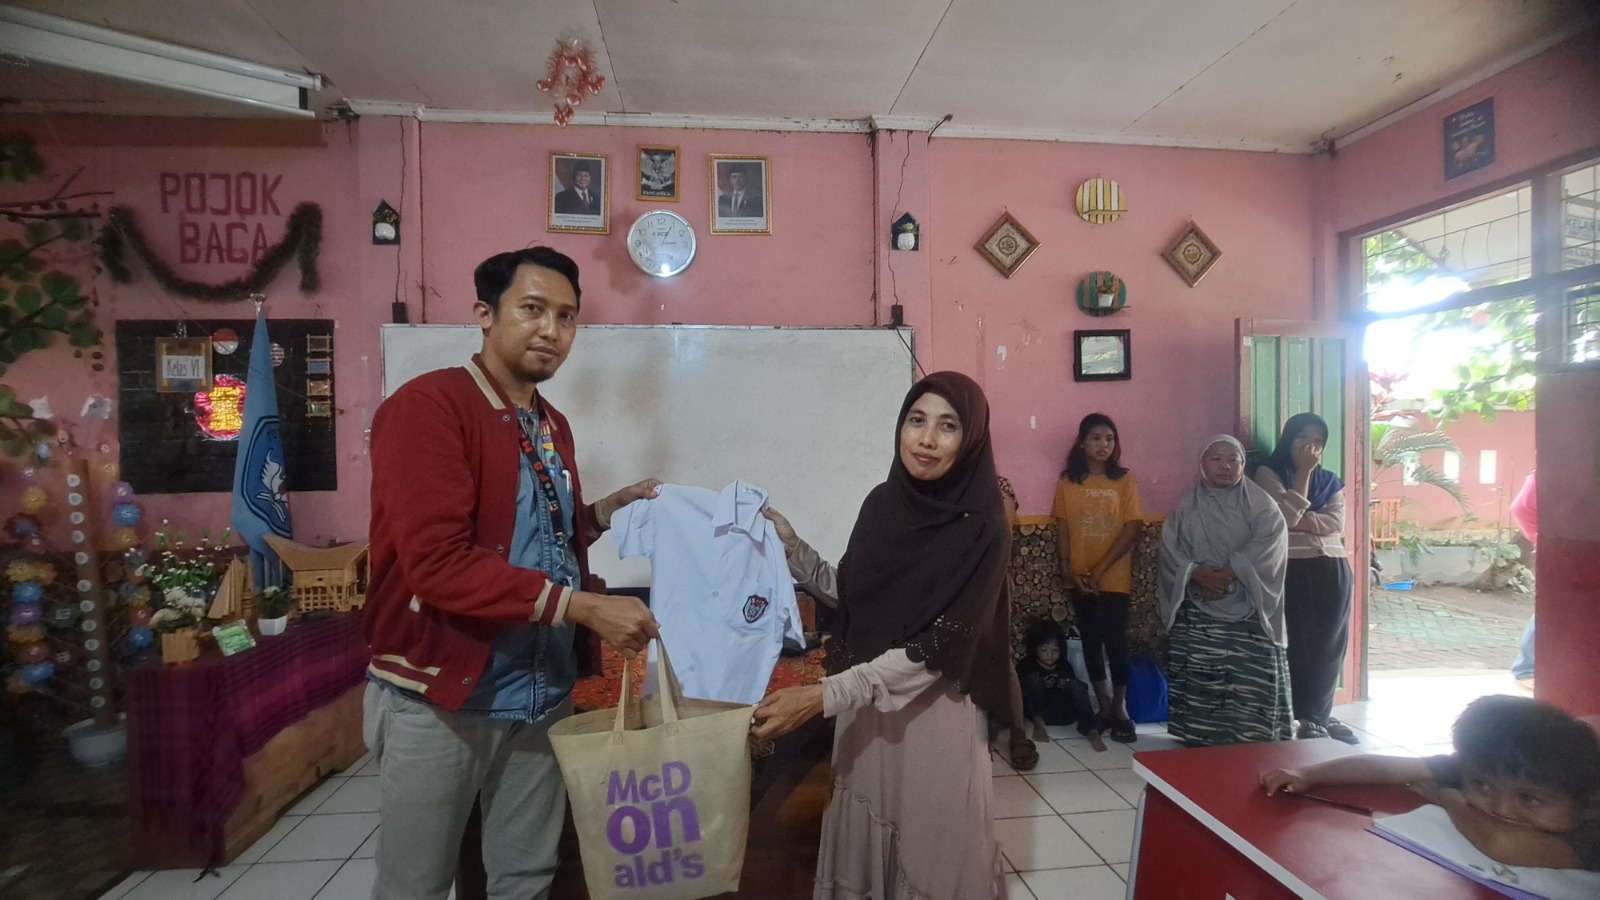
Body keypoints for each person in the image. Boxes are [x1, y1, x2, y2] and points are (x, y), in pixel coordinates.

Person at [364, 246, 661, 900]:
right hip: (443, 692)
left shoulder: (550, 424)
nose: (551, 330)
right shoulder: (430, 407)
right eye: (531, 309)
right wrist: (585, 608)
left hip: (539, 690)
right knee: (415, 883)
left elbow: (529, 536)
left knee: (525, 876)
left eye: (567, 316)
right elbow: (438, 564)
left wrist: (602, 513)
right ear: (485, 314)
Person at [754, 371, 1013, 899]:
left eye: (948, 426)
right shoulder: (882, 504)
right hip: (867, 710)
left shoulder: (984, 525)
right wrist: (794, 549)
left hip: (934, 714)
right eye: (917, 420)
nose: (927, 439)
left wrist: (825, 695)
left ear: (971, 439)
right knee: (867, 839)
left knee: (930, 858)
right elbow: (852, 594)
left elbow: (942, 644)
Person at [1260, 695, 1600, 870]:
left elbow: (1503, 846)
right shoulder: (1491, 770)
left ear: (1590, 805)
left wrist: (1448, 798)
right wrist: (1309, 775)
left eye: (1531, 799)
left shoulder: (1590, 834)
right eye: (1482, 787)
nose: (1500, 807)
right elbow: (1389, 769)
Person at [1159, 435, 1293, 747]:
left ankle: (1252, 736)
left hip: (1249, 607)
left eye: (1234, 460)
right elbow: (1170, 549)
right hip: (1199, 605)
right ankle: (1199, 736)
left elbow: (1270, 544)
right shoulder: (1186, 505)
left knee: (1249, 678)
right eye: (1216, 459)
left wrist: (1230, 573)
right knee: (1202, 673)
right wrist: (1196, 574)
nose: (1226, 466)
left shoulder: (1262, 505)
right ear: (1202, 464)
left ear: (1244, 464)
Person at [1254, 412, 1357, 743]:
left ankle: (1319, 717)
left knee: (1330, 645)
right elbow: (1283, 519)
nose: (1309, 447)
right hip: (1292, 567)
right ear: (1288, 439)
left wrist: (1302, 517)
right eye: (1302, 438)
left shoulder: (1330, 480)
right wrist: (1302, 475)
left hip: (1333, 566)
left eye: (1317, 441)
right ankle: (1297, 715)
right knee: (1296, 643)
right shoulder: (1268, 473)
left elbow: (1336, 523)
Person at [1052, 413, 1143, 743]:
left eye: (1109, 438)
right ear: (1081, 443)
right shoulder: (1068, 482)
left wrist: (1102, 568)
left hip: (1113, 577)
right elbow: (1062, 526)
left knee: (1115, 641)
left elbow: (1132, 528)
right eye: (1096, 438)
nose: (1104, 445)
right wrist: (1067, 568)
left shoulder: (1124, 480)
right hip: (1080, 578)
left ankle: (1121, 708)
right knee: (1091, 640)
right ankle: (1103, 706)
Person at [997, 474, 1039, 771]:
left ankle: (1017, 733)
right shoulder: (946, 483)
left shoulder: (999, 485)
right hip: (951, 581)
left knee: (1001, 655)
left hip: (992, 579)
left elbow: (1003, 535)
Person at [1016, 619, 1097, 741]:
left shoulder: (1064, 665)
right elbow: (1020, 693)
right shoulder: (1027, 665)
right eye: (1044, 650)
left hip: (1062, 711)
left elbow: (1074, 688)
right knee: (1033, 679)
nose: (1050, 654)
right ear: (1035, 649)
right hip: (1038, 711)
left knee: (1077, 685)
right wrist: (1042, 685)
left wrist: (1065, 684)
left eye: (1055, 650)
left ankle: (1090, 727)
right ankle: (1038, 723)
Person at [1509, 470, 1537, 687]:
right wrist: (1539, 535)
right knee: (1553, 610)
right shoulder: (1553, 470)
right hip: (1564, 552)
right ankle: (1526, 669)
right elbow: (1520, 508)